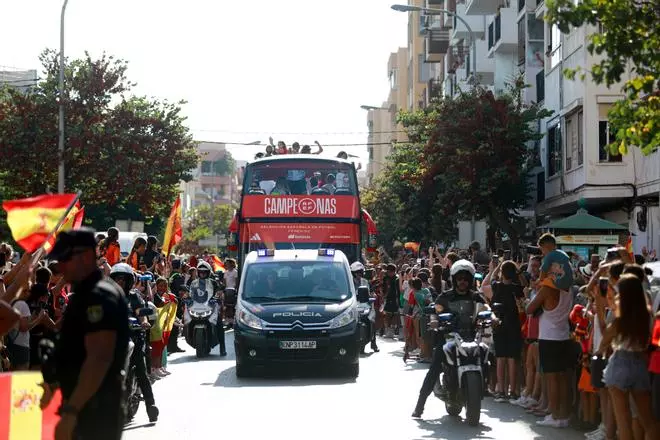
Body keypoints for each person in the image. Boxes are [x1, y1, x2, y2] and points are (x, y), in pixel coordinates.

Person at [40, 228, 130, 440]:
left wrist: (71, 413)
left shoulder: (99, 295)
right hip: (86, 404)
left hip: (94, 409)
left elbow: (99, 358)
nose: (60, 266)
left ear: (87, 256)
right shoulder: (85, 293)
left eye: (65, 258)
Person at [412, 259, 488, 418]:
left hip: (471, 337)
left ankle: (484, 387)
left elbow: (487, 309)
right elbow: (436, 310)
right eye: (459, 278)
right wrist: (434, 320)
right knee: (434, 368)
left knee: (487, 354)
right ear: (454, 279)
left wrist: (493, 318)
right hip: (448, 337)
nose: (463, 282)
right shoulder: (445, 297)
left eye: (466, 278)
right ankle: (420, 405)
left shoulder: (476, 297)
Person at [109, 263, 159, 423]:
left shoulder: (134, 297)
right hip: (111, 340)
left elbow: (140, 314)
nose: (120, 282)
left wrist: (143, 322)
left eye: (123, 279)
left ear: (129, 281)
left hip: (133, 337)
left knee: (141, 372)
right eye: (117, 279)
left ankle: (151, 406)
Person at [189, 261, 226, 356]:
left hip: (210, 306)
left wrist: (218, 296)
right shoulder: (193, 282)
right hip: (196, 307)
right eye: (200, 271)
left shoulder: (214, 282)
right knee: (188, 321)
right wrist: (186, 297)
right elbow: (189, 292)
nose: (202, 273)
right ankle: (189, 338)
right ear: (197, 272)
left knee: (219, 324)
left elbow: (219, 290)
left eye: (204, 272)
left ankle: (222, 347)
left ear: (208, 272)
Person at [351, 262, 379, 353]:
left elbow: (370, 292)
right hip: (354, 306)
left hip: (366, 305)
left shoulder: (365, 281)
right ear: (353, 273)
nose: (359, 274)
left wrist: (373, 295)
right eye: (357, 272)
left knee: (372, 320)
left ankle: (373, 343)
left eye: (361, 272)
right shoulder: (349, 282)